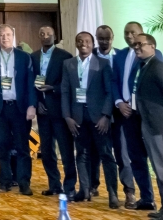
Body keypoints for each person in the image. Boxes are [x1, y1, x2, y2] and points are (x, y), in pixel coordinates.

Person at [62, 32, 118, 207]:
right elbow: (65, 92)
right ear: (76, 44)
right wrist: (67, 117)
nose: (83, 44)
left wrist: (106, 116)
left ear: (92, 43)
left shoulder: (103, 64)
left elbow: (109, 92)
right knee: (82, 155)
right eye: (80, 41)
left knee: (106, 155)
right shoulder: (68, 64)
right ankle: (84, 190)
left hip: (98, 118)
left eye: (87, 41)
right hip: (77, 118)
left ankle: (113, 194)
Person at [0, 24, 37, 195]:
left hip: (20, 108)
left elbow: (30, 83)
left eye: (7, 34)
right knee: (3, 147)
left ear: (13, 36)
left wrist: (31, 105)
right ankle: (5, 180)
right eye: (1, 35)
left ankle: (24, 182)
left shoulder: (24, 57)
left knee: (22, 147)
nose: (4, 37)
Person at [114, 22, 161, 211]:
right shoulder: (120, 56)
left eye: (134, 33)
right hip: (129, 114)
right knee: (136, 158)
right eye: (126, 33)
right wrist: (119, 102)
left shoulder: (155, 61)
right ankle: (147, 198)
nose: (130, 37)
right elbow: (115, 80)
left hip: (152, 119)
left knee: (158, 162)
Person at [31, 25, 76, 198]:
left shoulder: (65, 57)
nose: (46, 36)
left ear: (55, 36)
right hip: (42, 111)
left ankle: (70, 186)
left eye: (49, 33)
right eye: (42, 33)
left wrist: (53, 89)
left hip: (60, 110)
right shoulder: (33, 57)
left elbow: (68, 85)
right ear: (39, 36)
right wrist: (36, 102)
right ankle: (54, 185)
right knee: (47, 151)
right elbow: (31, 82)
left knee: (65, 151)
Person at [131, 34, 163, 219]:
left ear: (152, 46)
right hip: (148, 124)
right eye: (134, 45)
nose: (136, 47)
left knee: (161, 168)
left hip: (158, 126)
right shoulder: (144, 66)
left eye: (140, 44)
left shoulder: (157, 67)